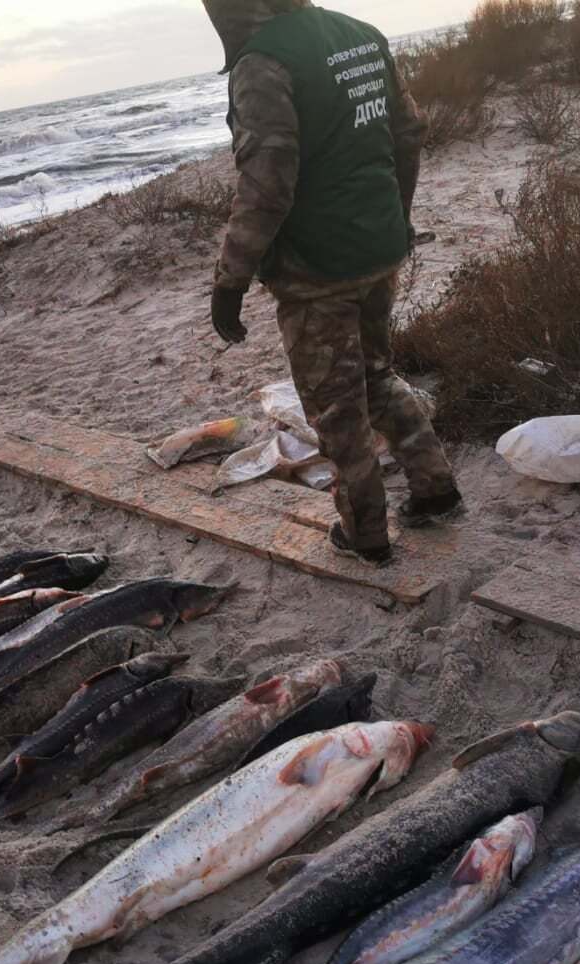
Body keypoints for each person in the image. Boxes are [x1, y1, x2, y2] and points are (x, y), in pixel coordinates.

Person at [202, 0, 463, 567]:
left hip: (317, 268)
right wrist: (396, 213)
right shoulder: (361, 36)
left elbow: (267, 183)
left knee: (335, 408)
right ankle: (435, 488)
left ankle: (365, 532)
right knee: (375, 373)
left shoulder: (264, 62)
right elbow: (408, 132)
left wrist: (231, 278)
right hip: (380, 245)